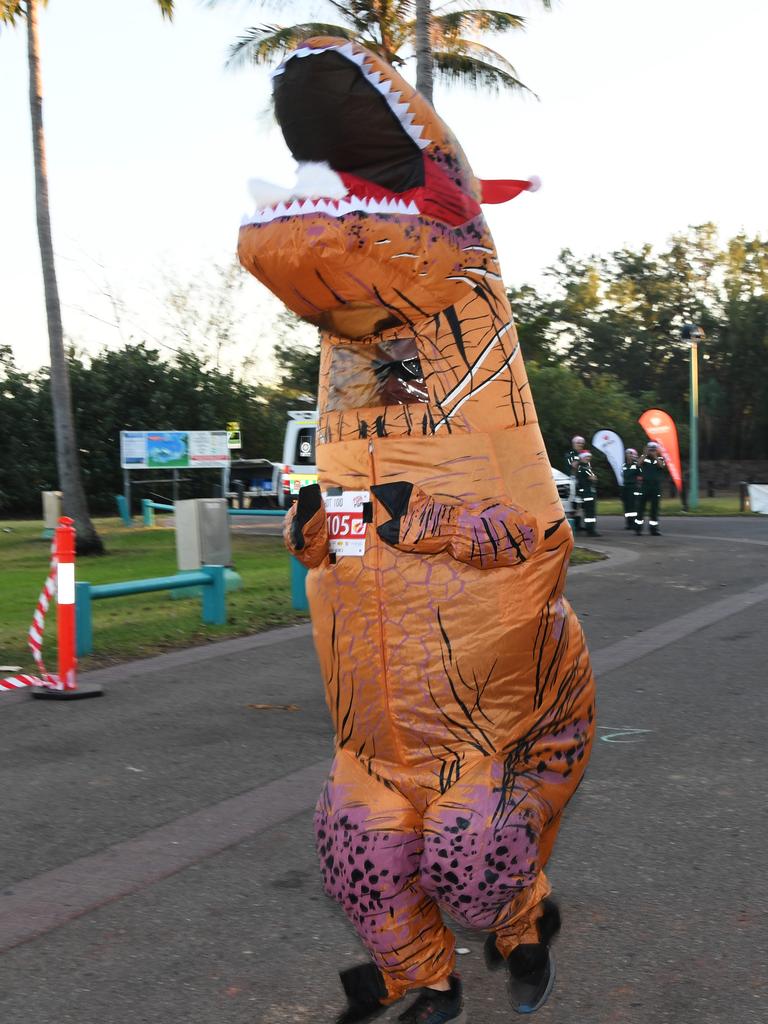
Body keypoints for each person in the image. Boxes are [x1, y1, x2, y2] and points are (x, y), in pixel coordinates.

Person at [635, 442, 666, 535]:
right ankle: (638, 528)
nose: (652, 451)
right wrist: (645, 453)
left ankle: (653, 529)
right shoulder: (644, 458)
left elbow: (661, 466)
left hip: (655, 487)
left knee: (654, 509)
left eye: (654, 449)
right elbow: (638, 464)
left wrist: (655, 456)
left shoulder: (659, 458)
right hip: (644, 486)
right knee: (641, 508)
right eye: (650, 449)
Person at [575, 450, 599, 536]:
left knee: (587, 512)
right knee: (590, 513)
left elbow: (593, 478)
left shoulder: (584, 467)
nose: (588, 458)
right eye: (586, 457)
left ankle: (589, 528)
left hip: (587, 493)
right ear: (581, 457)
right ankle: (590, 530)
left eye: (589, 457)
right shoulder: (584, 468)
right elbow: (593, 478)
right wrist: (593, 477)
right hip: (588, 493)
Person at [565, 435, 586, 530]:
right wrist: (579, 459)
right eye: (578, 443)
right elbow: (573, 466)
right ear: (574, 444)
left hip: (582, 481)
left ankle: (578, 524)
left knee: (580, 503)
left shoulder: (584, 454)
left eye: (582, 443)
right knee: (573, 502)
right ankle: (572, 525)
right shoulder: (570, 454)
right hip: (572, 481)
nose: (580, 445)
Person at [621, 448, 642, 530]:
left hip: (634, 487)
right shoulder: (624, 465)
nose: (629, 455)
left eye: (631, 454)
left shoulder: (637, 465)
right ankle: (628, 523)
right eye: (627, 454)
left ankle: (634, 522)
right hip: (625, 487)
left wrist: (639, 485)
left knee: (633, 505)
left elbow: (641, 475)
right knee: (626, 505)